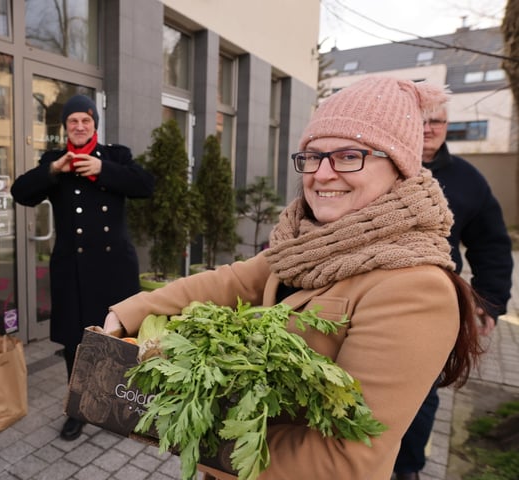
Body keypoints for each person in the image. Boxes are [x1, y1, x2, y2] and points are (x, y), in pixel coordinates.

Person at [103, 76, 485, 479]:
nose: (321, 174)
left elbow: (345, 461)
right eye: (312, 156)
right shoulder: (305, 242)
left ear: (400, 166)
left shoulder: (414, 288)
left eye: (348, 155)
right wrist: (130, 312)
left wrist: (187, 428)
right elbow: (233, 280)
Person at [11, 94, 155, 441]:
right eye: (72, 121)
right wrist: (54, 170)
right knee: (75, 342)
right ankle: (79, 407)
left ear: (94, 124)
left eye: (85, 121)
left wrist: (102, 170)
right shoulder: (54, 161)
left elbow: (145, 186)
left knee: (121, 338)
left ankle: (123, 403)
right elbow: (21, 192)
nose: (79, 126)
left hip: (114, 267)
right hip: (72, 270)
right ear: (65, 128)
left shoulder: (115, 157)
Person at [393, 102, 514, 480]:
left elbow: (491, 245)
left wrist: (488, 303)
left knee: (423, 392)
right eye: (422, 120)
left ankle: (407, 468)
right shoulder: (387, 168)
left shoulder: (468, 180)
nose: (430, 128)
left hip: (434, 306)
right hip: (374, 298)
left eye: (439, 121)